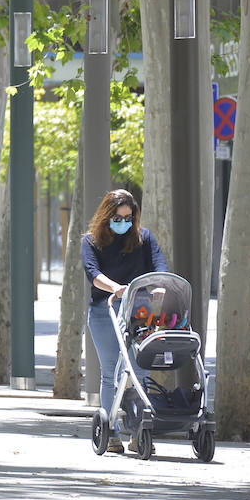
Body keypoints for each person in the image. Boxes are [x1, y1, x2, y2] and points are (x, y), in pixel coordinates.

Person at [81, 188, 168, 454]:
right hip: (104, 309)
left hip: (138, 310)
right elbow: (93, 273)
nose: (124, 223)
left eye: (128, 217)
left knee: (139, 370)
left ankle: (139, 430)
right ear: (107, 216)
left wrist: (159, 286)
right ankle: (111, 433)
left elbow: (159, 265)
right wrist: (116, 288)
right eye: (118, 218)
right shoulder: (91, 241)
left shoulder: (144, 238)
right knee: (111, 373)